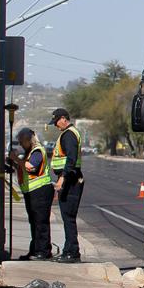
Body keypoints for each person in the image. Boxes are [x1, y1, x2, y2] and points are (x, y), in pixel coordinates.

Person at [49, 108, 84, 263]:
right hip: (71, 178)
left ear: (63, 118)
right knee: (67, 217)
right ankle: (68, 250)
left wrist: (62, 178)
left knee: (68, 217)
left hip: (70, 180)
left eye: (56, 122)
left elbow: (71, 158)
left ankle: (72, 252)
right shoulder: (68, 133)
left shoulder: (69, 135)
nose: (56, 126)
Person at [14, 128, 55, 261]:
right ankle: (35, 249)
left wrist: (16, 158)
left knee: (40, 222)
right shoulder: (29, 152)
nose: (21, 145)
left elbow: (31, 167)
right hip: (31, 191)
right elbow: (23, 168)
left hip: (40, 190)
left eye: (22, 142)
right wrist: (14, 163)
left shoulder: (37, 151)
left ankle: (43, 251)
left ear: (28, 140)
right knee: (34, 222)